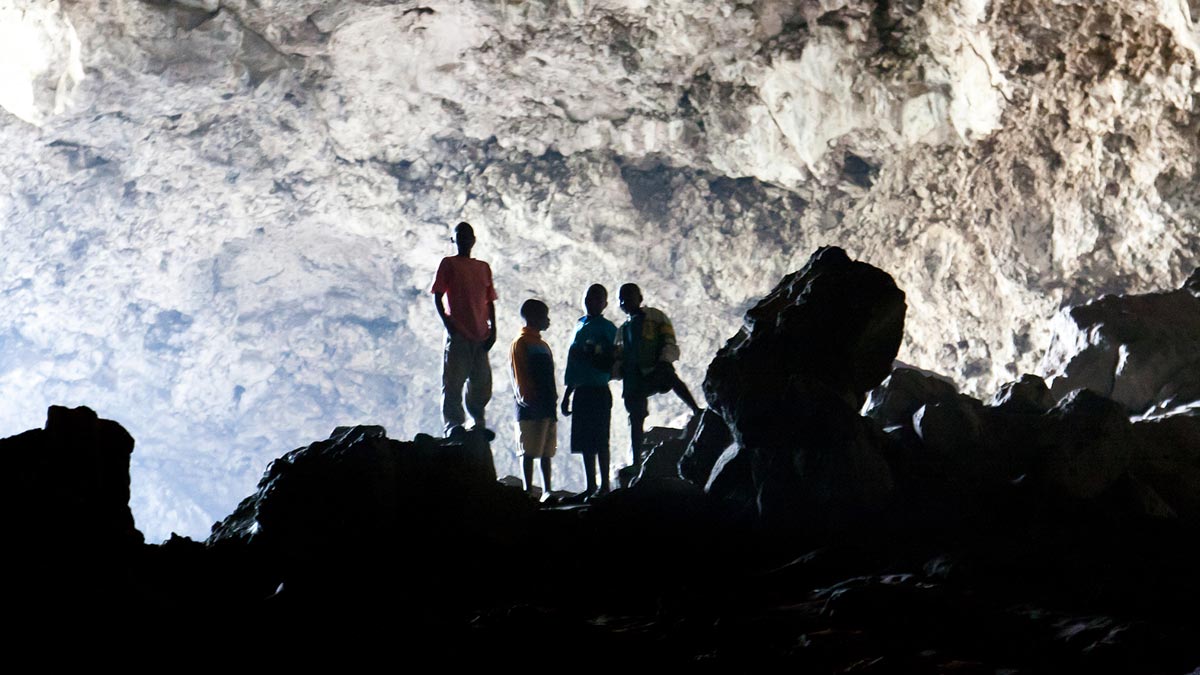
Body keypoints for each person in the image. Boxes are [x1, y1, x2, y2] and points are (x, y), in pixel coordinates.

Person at [615, 283, 702, 464]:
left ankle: (696, 410)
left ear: (639, 298)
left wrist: (665, 359)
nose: (625, 301)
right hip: (634, 378)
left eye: (629, 296)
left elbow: (668, 338)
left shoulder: (655, 317)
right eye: (621, 298)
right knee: (636, 416)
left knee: (671, 378)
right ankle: (636, 461)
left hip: (656, 367)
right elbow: (618, 356)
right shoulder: (622, 330)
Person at [431, 222, 498, 438]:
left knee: (481, 383)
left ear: (474, 239)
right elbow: (437, 294)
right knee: (453, 381)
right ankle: (453, 425)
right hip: (458, 332)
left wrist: (493, 329)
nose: (464, 240)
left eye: (467, 236)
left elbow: (489, 301)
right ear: (454, 240)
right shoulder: (448, 264)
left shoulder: (483, 267)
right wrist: (448, 323)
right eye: (459, 236)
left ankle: (477, 422)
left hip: (481, 334)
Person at [561, 284, 618, 497]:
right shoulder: (579, 325)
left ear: (605, 303)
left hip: (599, 389)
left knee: (600, 439)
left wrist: (594, 356)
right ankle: (591, 486)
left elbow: (615, 356)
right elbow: (573, 365)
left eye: (597, 299)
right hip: (581, 390)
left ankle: (604, 486)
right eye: (589, 298)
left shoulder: (607, 327)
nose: (592, 303)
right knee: (585, 441)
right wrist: (567, 394)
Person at [510, 299, 557, 498]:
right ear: (533, 318)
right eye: (544, 316)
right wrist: (527, 398)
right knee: (528, 448)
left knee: (546, 449)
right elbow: (518, 373)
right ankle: (527, 490)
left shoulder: (543, 345)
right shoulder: (520, 343)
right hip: (530, 404)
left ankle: (547, 489)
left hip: (546, 403)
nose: (547, 321)